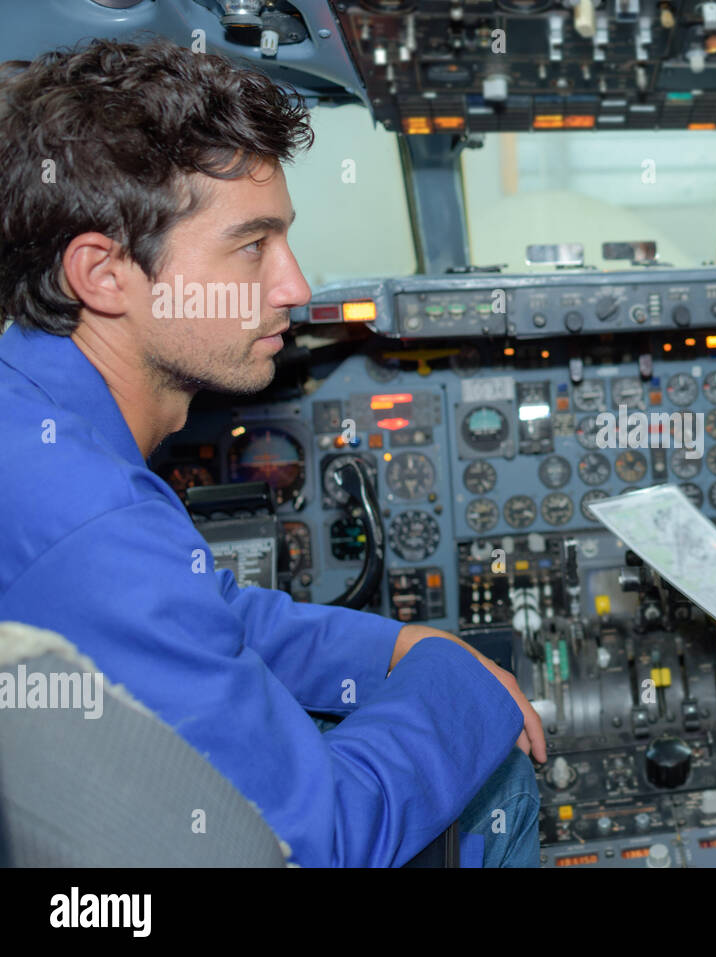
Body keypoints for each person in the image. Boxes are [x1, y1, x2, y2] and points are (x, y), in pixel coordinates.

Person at [0, 38, 545, 867]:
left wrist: (399, 647)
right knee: (498, 781)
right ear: (103, 273)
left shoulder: (34, 415)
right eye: (252, 246)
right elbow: (319, 841)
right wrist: (469, 688)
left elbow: (198, 617)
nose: (295, 286)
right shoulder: (92, 523)